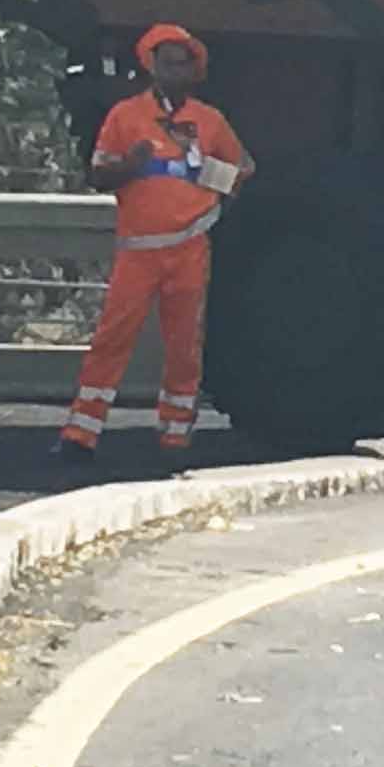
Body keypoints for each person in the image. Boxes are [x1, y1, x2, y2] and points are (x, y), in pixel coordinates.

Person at [63, 24, 251, 462]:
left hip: (189, 246)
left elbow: (242, 174)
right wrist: (132, 164)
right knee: (112, 339)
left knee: (185, 345)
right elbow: (98, 176)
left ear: (194, 71)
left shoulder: (210, 121)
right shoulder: (125, 117)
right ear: (151, 67)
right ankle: (81, 433)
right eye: (166, 62)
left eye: (182, 63)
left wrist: (201, 166)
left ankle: (175, 436)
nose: (174, 70)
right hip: (138, 249)